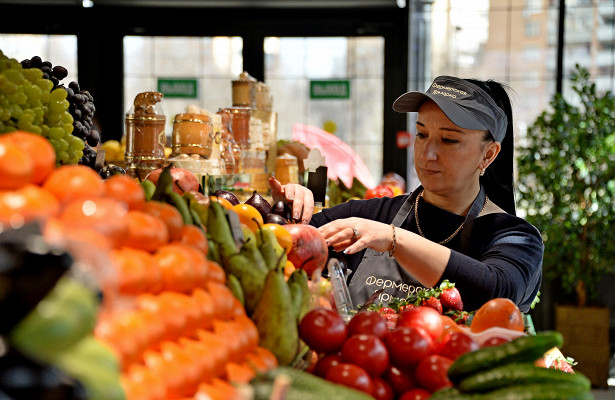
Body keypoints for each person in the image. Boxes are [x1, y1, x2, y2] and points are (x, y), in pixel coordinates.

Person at [269, 75, 543, 313]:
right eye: (422, 134)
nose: (428, 154)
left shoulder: (514, 237)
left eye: (449, 140)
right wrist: (288, 211)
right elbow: (273, 246)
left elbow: (497, 292)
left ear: (489, 154)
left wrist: (392, 239)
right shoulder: (371, 215)